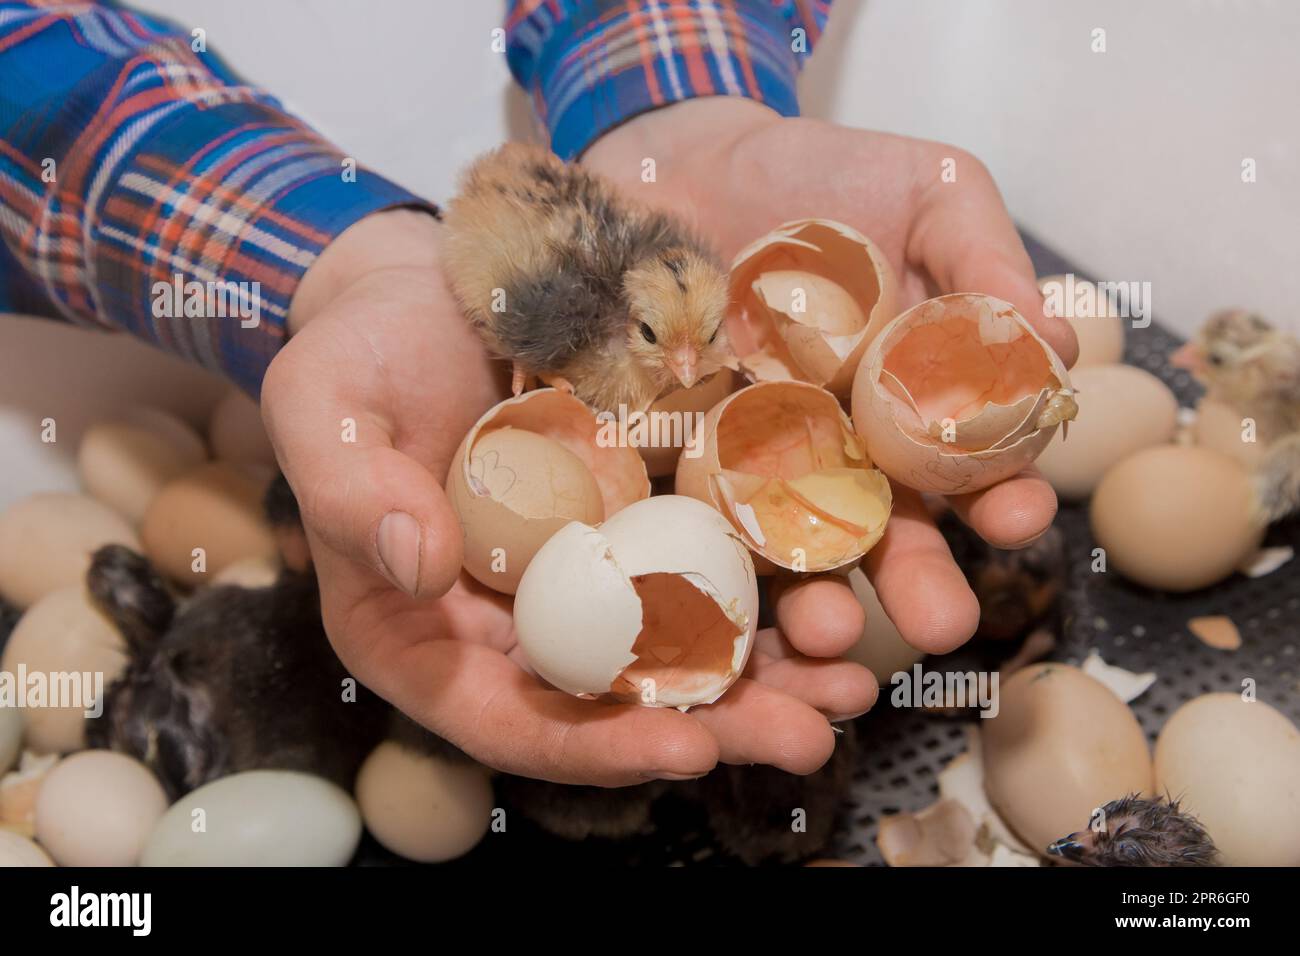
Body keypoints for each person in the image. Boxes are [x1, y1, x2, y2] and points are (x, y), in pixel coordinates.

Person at [0, 0, 1076, 787]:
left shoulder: (674, 328)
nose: (698, 369)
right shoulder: (566, 332)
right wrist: (352, 274)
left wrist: (675, 92)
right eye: (669, 342)